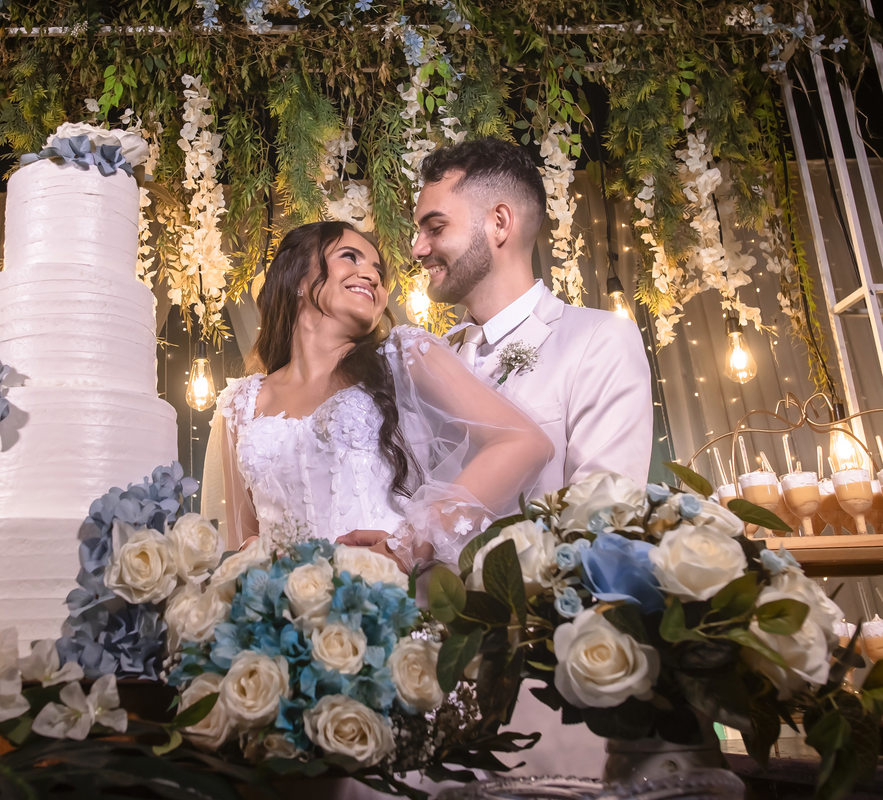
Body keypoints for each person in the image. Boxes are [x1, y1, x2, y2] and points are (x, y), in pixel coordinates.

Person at [412, 137, 654, 778]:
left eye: (434, 227)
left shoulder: (597, 340)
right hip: (425, 690)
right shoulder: (427, 363)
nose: (417, 249)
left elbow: (602, 527)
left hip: (539, 691)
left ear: (499, 223)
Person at [215, 220, 552, 568]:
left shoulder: (404, 355)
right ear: (298, 279)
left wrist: (405, 546)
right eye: (351, 257)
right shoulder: (240, 404)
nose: (373, 277)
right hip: (290, 613)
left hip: (389, 598)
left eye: (378, 271)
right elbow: (244, 540)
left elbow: (524, 443)